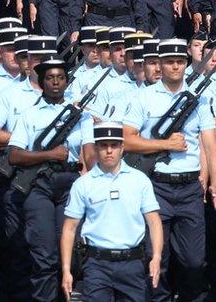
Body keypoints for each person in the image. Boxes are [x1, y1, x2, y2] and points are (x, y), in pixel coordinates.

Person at [123, 38, 216, 301]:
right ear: (160, 65)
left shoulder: (198, 100)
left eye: (180, 62)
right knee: (157, 257)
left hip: (190, 186)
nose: (175, 67)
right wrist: (164, 144)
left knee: (194, 261)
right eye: (169, 62)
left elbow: (211, 145)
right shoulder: (144, 97)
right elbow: (127, 139)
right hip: (156, 185)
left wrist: (213, 184)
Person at [9, 58, 96, 301]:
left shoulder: (81, 116)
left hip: (69, 184)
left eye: (60, 77)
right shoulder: (30, 114)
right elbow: (14, 155)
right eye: (50, 77)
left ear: (67, 81)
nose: (55, 82)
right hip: (39, 184)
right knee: (44, 254)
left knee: (66, 253)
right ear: (42, 81)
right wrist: (49, 154)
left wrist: (95, 176)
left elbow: (89, 151)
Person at [61, 121, 164, 301]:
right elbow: (69, 228)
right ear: (96, 148)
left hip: (132, 263)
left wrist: (156, 257)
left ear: (122, 148)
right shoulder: (83, 184)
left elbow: (154, 222)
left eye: (114, 145)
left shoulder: (139, 180)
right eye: (103, 146)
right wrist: (66, 270)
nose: (109, 151)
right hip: (96, 264)